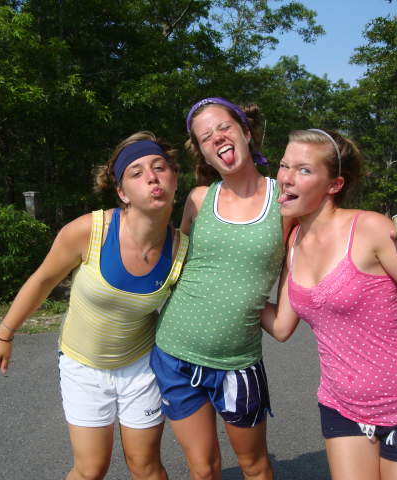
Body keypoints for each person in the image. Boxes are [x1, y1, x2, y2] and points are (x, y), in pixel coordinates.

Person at [0, 131, 189, 480]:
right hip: (83, 367)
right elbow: (42, 280)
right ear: (122, 192)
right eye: (137, 172)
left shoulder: (181, 249)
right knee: (90, 469)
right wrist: (4, 333)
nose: (152, 177)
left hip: (140, 368)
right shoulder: (90, 230)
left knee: (146, 467)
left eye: (159, 167)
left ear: (174, 179)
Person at [261, 128, 397, 480]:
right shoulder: (293, 242)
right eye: (284, 166)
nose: (286, 178)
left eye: (304, 170)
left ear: (334, 184)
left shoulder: (370, 228)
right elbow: (282, 326)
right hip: (340, 404)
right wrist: (235, 290)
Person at [149, 98, 285, 480]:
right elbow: (176, 263)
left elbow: (317, 254)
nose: (217, 138)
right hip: (174, 353)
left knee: (255, 467)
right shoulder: (198, 199)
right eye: (206, 137)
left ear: (246, 132)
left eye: (224, 127)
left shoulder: (285, 201)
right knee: (203, 469)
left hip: (237, 364)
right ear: (204, 153)